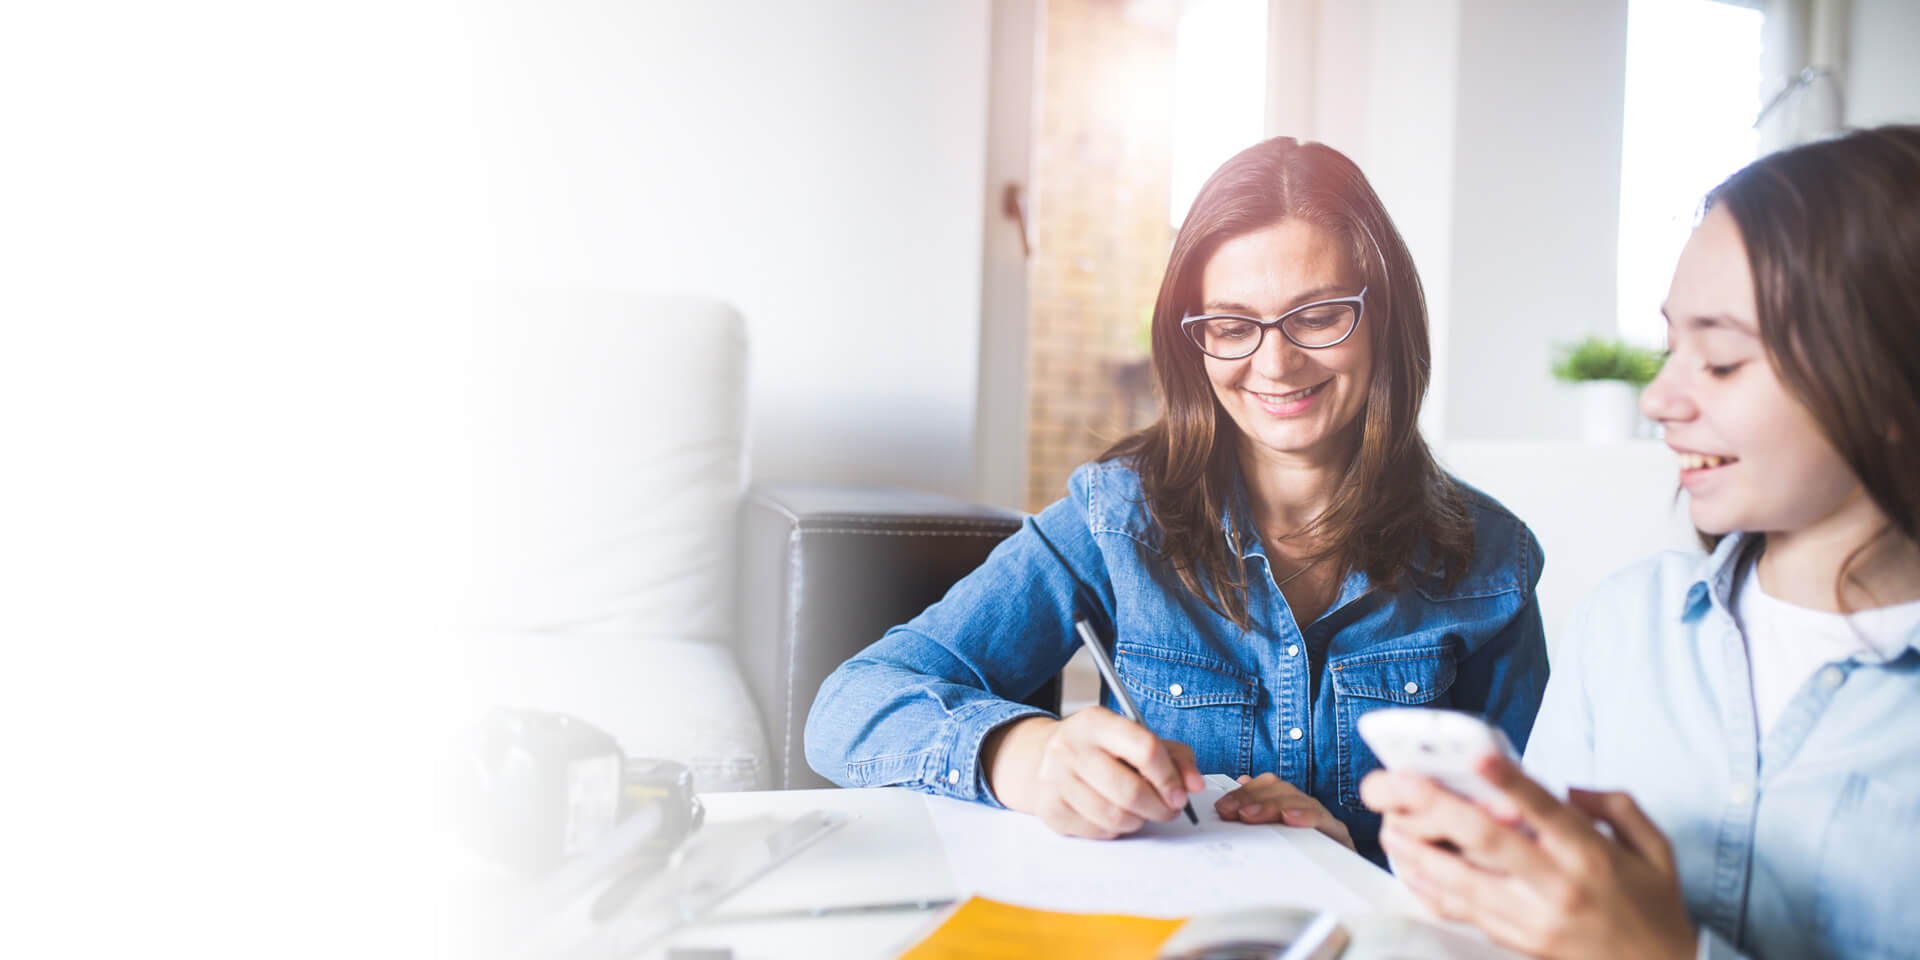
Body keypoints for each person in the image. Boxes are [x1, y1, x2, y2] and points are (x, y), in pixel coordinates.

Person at [806, 136, 1550, 865]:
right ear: (1192, 341)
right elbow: (849, 706)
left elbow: (1523, 858)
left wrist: (1357, 859)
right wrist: (1024, 754)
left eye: (1318, 316)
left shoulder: (1493, 564)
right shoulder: (1117, 517)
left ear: (1383, 318)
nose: (1276, 362)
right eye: (1230, 326)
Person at [1361, 124, 1920, 959]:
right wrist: (1473, 881)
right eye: (1670, 346)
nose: (1659, 398)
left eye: (1723, 360)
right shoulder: (1625, 626)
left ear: (1890, 377)